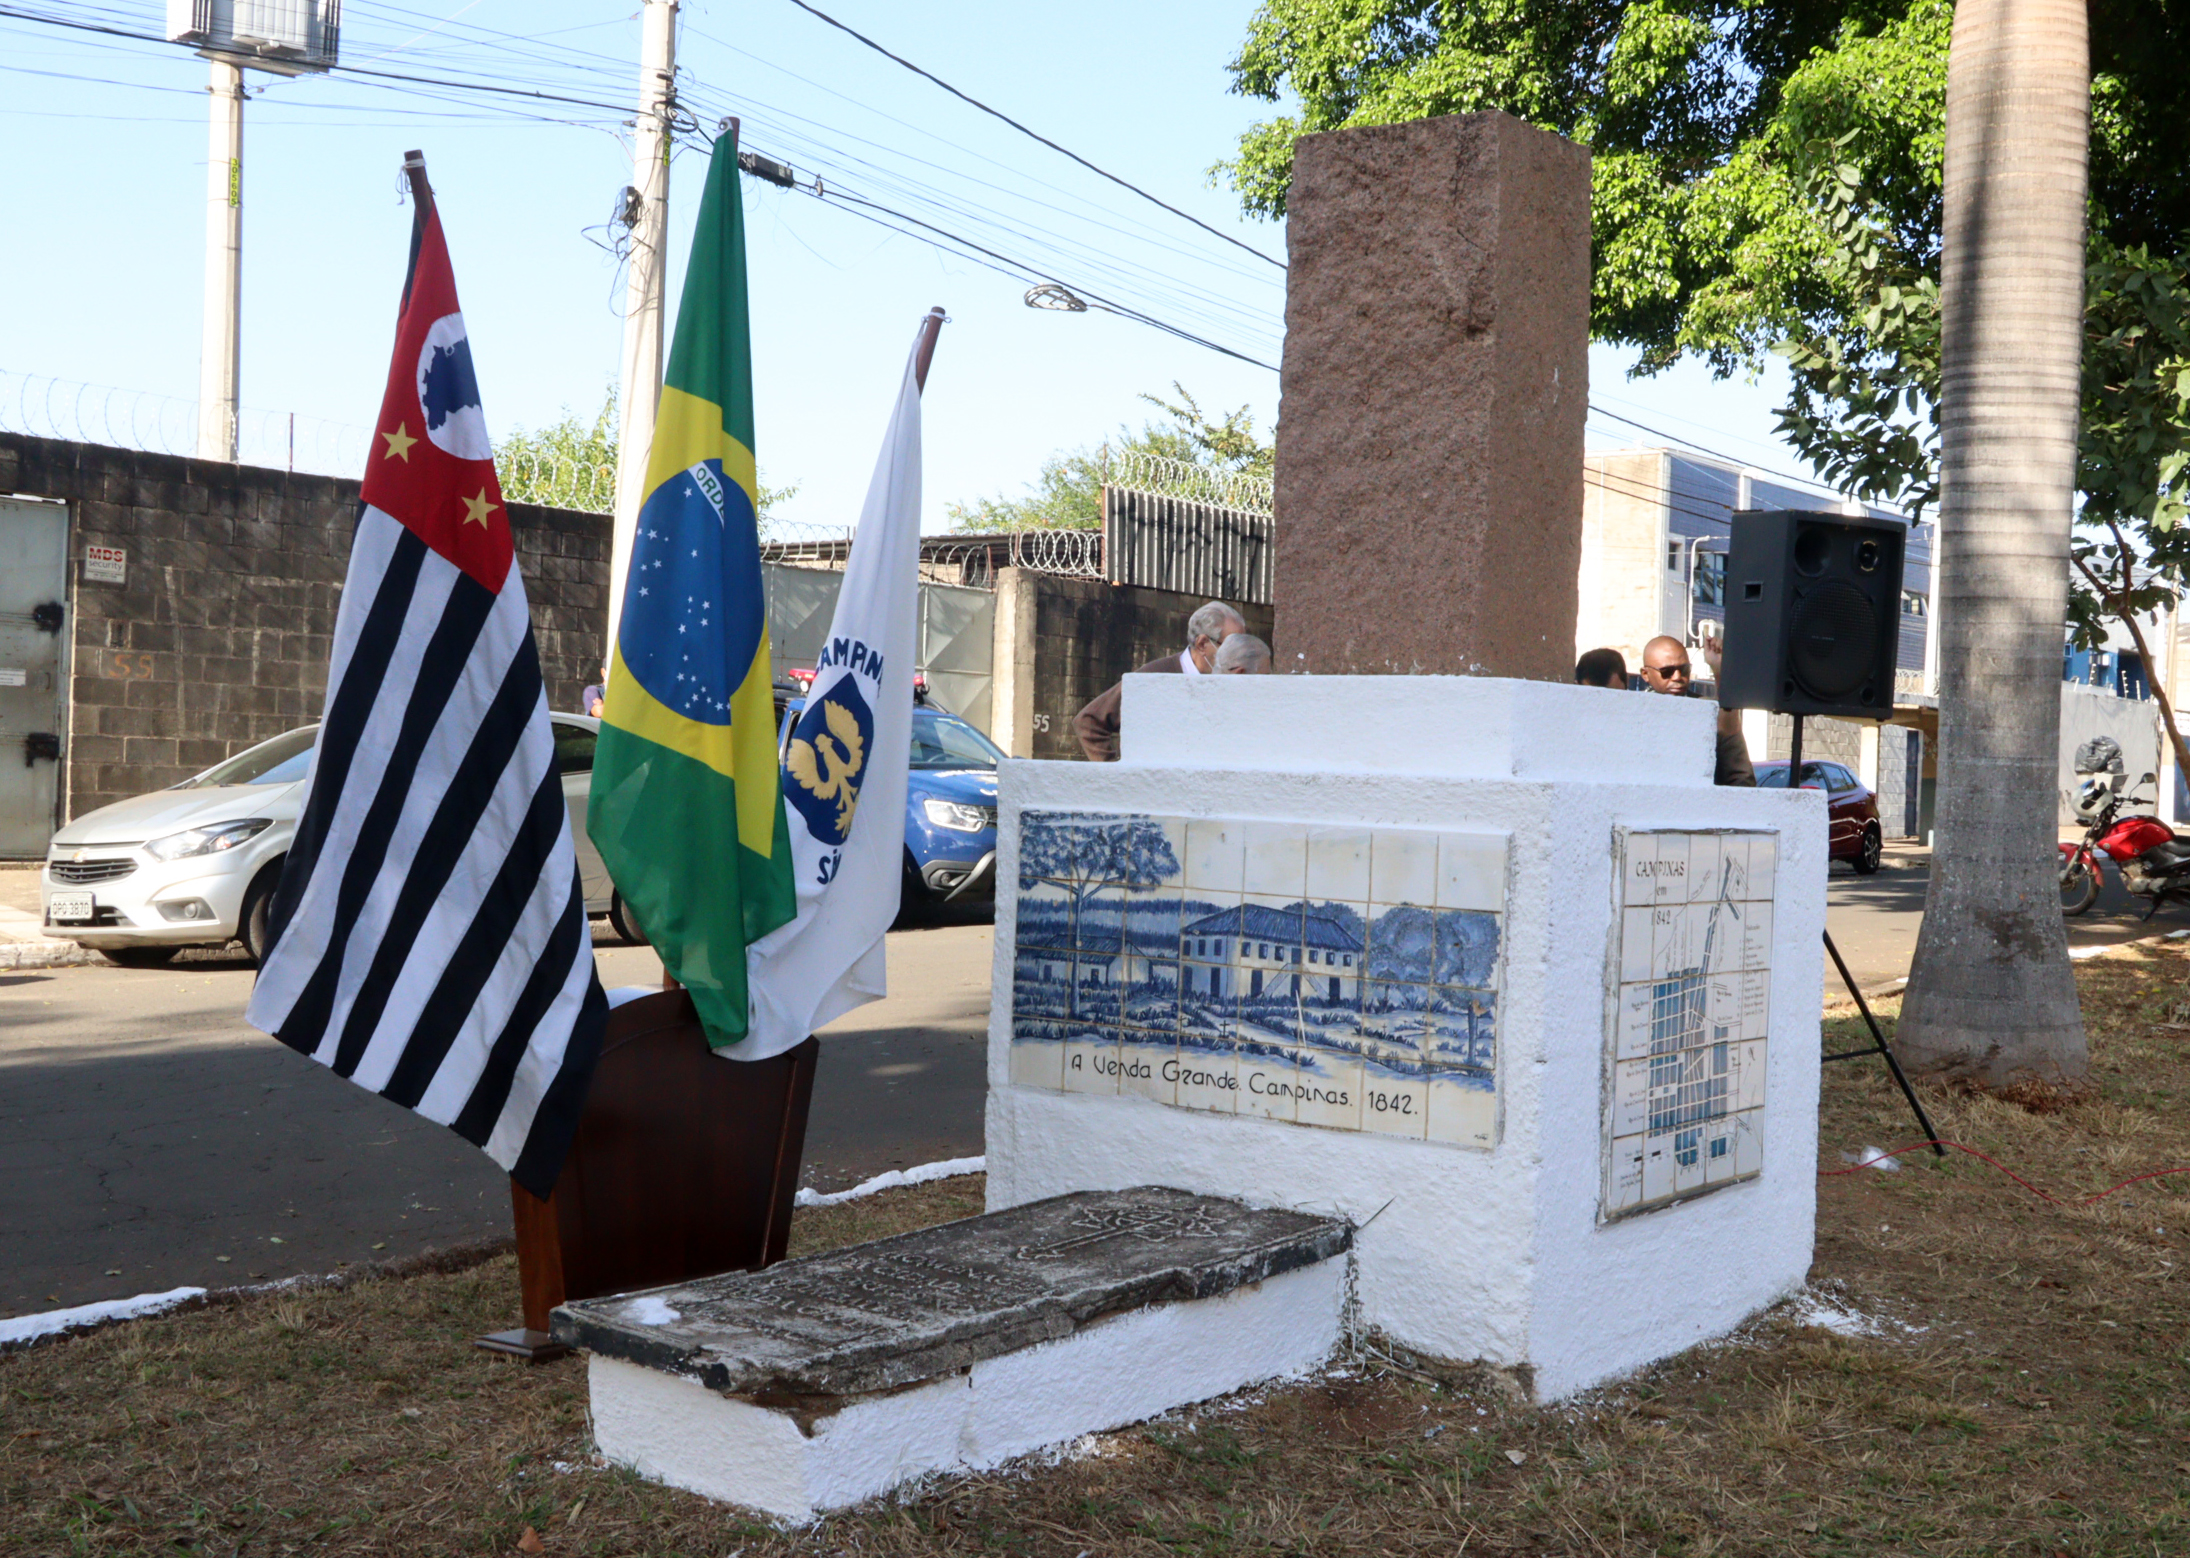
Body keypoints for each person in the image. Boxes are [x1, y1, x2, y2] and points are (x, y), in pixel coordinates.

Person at [1072, 600, 1245, 762]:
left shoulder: (1226, 683)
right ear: (1202, 644)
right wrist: (1115, 777)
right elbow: (1088, 722)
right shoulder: (1153, 678)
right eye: (1232, 647)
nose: (1239, 657)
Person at [1640, 632, 1755, 787]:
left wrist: (1720, 670)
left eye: (1684, 670)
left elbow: (1740, 776)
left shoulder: (1707, 711)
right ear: (1646, 674)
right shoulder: (1634, 713)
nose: (1677, 677)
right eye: (1667, 672)